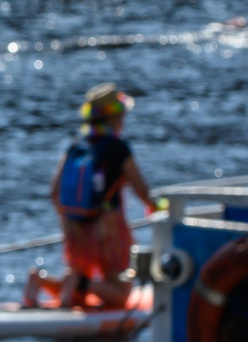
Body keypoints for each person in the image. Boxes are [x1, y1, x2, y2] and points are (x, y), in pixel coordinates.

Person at [21, 86, 154, 311]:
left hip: (75, 229)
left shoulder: (76, 146)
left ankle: (40, 280)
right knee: (120, 296)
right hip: (108, 231)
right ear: (115, 116)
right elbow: (141, 191)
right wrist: (160, 206)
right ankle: (80, 281)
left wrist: (71, 225)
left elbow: (54, 192)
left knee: (78, 297)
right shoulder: (118, 148)